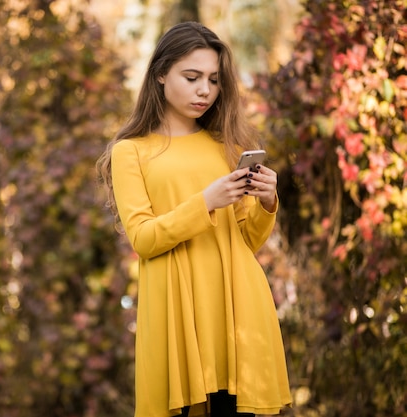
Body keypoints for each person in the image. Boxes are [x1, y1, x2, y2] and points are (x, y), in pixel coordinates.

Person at [96, 22, 292, 416]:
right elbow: (144, 239)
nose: (205, 90)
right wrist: (205, 201)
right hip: (178, 316)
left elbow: (245, 242)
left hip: (239, 309)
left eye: (214, 80)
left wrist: (268, 201)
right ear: (161, 74)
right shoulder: (131, 152)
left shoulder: (227, 145)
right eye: (192, 77)